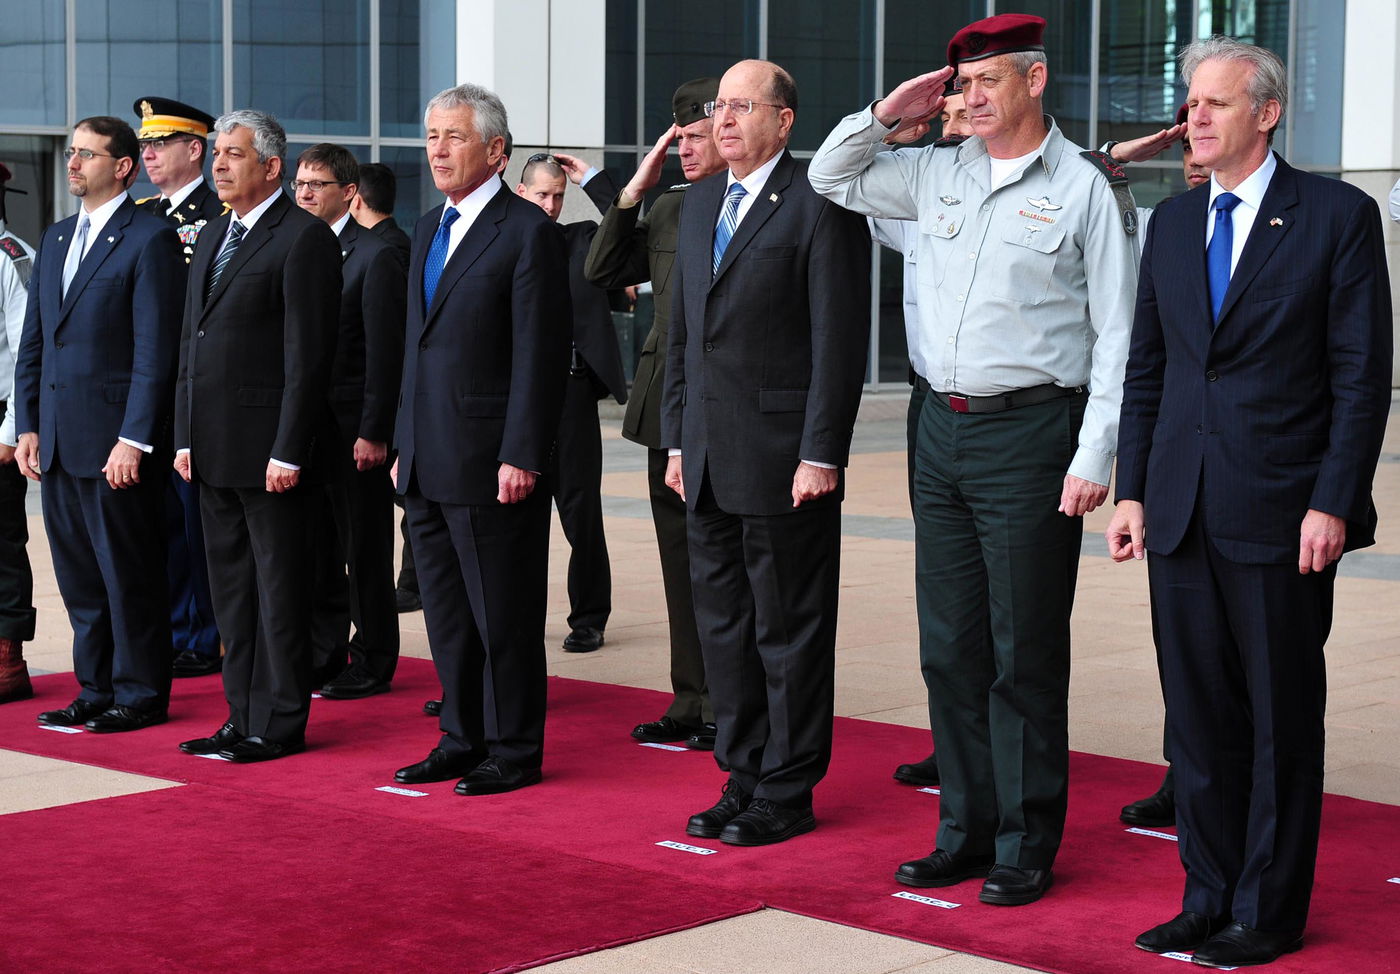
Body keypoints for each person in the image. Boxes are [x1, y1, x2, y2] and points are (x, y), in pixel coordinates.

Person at [809, 13, 1138, 905]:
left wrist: (1094, 453)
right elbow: (829, 174)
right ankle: (966, 827)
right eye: (963, 83)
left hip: (1033, 434)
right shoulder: (934, 172)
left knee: (1022, 649)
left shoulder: (1083, 188)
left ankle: (1027, 841)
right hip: (937, 427)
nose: (971, 96)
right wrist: (889, 112)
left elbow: (1118, 333)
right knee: (949, 647)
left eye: (989, 80)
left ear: (1036, 80)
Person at [1107, 37, 1392, 967]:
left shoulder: (1337, 217)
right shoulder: (1175, 225)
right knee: (1198, 723)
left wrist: (1334, 501)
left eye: (1216, 104)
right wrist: (1134, 488)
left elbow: (1360, 377)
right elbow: (1148, 368)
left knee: (1277, 722)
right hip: (1180, 510)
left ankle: (1266, 910)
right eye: (1192, 103)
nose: (1195, 117)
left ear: (1265, 113)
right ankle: (1206, 895)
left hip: (1282, 514)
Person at [663, 59, 870, 846]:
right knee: (725, 630)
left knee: (788, 632)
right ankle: (741, 773)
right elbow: (682, 336)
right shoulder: (701, 202)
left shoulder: (820, 200)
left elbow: (838, 342)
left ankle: (786, 788)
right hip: (709, 456)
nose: (723, 120)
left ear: (784, 121)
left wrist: (822, 451)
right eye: (718, 106)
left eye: (742, 106)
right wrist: (680, 438)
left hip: (787, 462)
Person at [390, 84, 569, 797]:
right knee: (449, 617)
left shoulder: (527, 231)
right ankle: (460, 737)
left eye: (454, 136)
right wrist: (403, 436)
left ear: (496, 150)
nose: (437, 149)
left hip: (494, 459)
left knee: (504, 617)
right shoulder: (430, 224)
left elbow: (540, 353)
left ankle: (513, 748)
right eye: (431, 135)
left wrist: (521, 451)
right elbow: (416, 344)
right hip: (428, 456)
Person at [173, 110, 342, 763]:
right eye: (217, 153)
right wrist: (185, 435)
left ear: (271, 166)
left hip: (273, 453)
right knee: (232, 594)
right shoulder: (214, 233)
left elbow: (309, 357)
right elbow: (194, 343)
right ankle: (240, 712)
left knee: (279, 593)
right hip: (211, 447)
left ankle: (278, 721)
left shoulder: (304, 239)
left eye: (234, 154)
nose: (219, 164)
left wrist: (288, 447)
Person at [14, 116, 183, 732]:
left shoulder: (151, 237)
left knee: (127, 575)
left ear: (123, 166)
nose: (73, 163)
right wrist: (27, 424)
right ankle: (96, 687)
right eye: (72, 153)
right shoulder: (56, 237)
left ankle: (139, 694)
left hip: (117, 443)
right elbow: (36, 344)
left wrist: (135, 437)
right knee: (80, 579)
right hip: (58, 440)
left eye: (87, 154)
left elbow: (155, 350)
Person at [584, 77, 724, 750]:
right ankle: (690, 698)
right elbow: (603, 268)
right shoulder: (667, 207)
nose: (689, 149)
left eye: (699, 136)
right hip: (665, 410)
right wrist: (632, 191)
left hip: (725, 413)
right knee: (678, 562)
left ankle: (730, 703)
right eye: (681, 139)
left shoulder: (760, 204)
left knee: (725, 567)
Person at [869, 77, 972, 789]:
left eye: (965, 117)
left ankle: (991, 745)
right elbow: (843, 178)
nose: (952, 130)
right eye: (947, 119)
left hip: (1008, 410)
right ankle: (954, 742)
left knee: (996, 599)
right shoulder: (923, 185)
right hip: (927, 398)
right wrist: (892, 131)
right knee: (945, 591)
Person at [294, 144, 406, 700]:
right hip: (306, 431)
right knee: (315, 549)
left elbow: (385, 354)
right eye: (300, 183)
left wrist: (374, 430)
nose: (305, 193)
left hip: (353, 430)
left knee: (363, 548)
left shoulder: (374, 254)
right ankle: (324, 651)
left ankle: (374, 655)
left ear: (349, 193)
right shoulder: (297, 246)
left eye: (317, 184)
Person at [514, 152, 625, 655]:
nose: (551, 204)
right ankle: (515, 618)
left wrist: (594, 181)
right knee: (517, 517)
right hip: (518, 400)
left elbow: (627, 230)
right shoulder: (503, 242)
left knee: (582, 513)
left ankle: (589, 618)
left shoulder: (580, 240)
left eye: (559, 195)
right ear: (521, 193)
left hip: (573, 395)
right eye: (541, 194)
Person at [131, 96, 226, 679]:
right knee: (158, 523)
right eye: (143, 145)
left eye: (160, 143)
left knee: (196, 524)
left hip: (194, 395)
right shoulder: (141, 215)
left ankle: (205, 634)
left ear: (195, 148)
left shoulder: (217, 215)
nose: (148, 154)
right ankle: (172, 626)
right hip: (149, 398)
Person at [0, 164, 37, 704]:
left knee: (3, 544)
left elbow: (25, 349)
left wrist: (10, 430)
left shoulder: (11, 255)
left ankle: (7, 655)